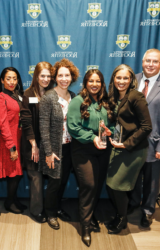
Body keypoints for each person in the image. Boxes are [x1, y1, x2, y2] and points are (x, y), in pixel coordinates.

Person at [128, 49, 160, 228]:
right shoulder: (132, 80)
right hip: (132, 142)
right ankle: (133, 204)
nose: (150, 64)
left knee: (152, 180)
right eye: (147, 60)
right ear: (142, 61)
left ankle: (148, 210)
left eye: (154, 61)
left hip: (154, 144)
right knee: (133, 176)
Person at [67, 69, 113, 246]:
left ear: (102, 83)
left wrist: (110, 131)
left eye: (98, 81)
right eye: (91, 81)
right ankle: (85, 226)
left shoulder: (106, 101)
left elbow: (114, 123)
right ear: (85, 83)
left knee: (97, 185)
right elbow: (73, 127)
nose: (95, 84)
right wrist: (92, 137)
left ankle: (91, 215)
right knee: (89, 185)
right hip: (83, 149)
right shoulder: (77, 101)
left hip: (102, 149)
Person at [106, 64, 152, 234]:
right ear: (114, 79)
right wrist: (111, 132)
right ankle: (120, 216)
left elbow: (147, 127)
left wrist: (126, 144)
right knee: (112, 185)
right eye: (119, 77)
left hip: (133, 150)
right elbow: (124, 123)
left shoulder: (136, 96)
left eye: (126, 78)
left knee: (118, 186)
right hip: (118, 147)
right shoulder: (115, 96)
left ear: (132, 79)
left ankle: (122, 220)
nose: (122, 81)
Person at [39, 58, 79, 230]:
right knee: (54, 183)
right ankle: (50, 213)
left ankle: (57, 208)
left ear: (72, 77)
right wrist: (48, 152)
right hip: (54, 148)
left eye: (67, 75)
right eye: (61, 75)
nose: (64, 78)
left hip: (70, 147)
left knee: (63, 182)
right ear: (55, 77)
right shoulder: (48, 97)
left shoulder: (74, 96)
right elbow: (43, 127)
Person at [21, 62, 53, 223]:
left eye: (48, 76)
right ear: (36, 76)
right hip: (32, 143)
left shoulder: (53, 92)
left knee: (52, 176)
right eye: (43, 76)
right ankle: (36, 210)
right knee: (36, 177)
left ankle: (51, 207)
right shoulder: (28, 93)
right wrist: (34, 145)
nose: (46, 79)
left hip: (50, 143)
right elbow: (26, 121)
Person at [0, 67, 26, 214]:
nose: (12, 82)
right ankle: (9, 202)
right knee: (13, 173)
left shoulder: (18, 95)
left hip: (20, 138)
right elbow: (3, 124)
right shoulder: (0, 98)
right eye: (8, 78)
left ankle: (13, 199)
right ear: (2, 80)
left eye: (14, 78)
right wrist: (11, 147)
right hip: (9, 140)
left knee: (18, 173)